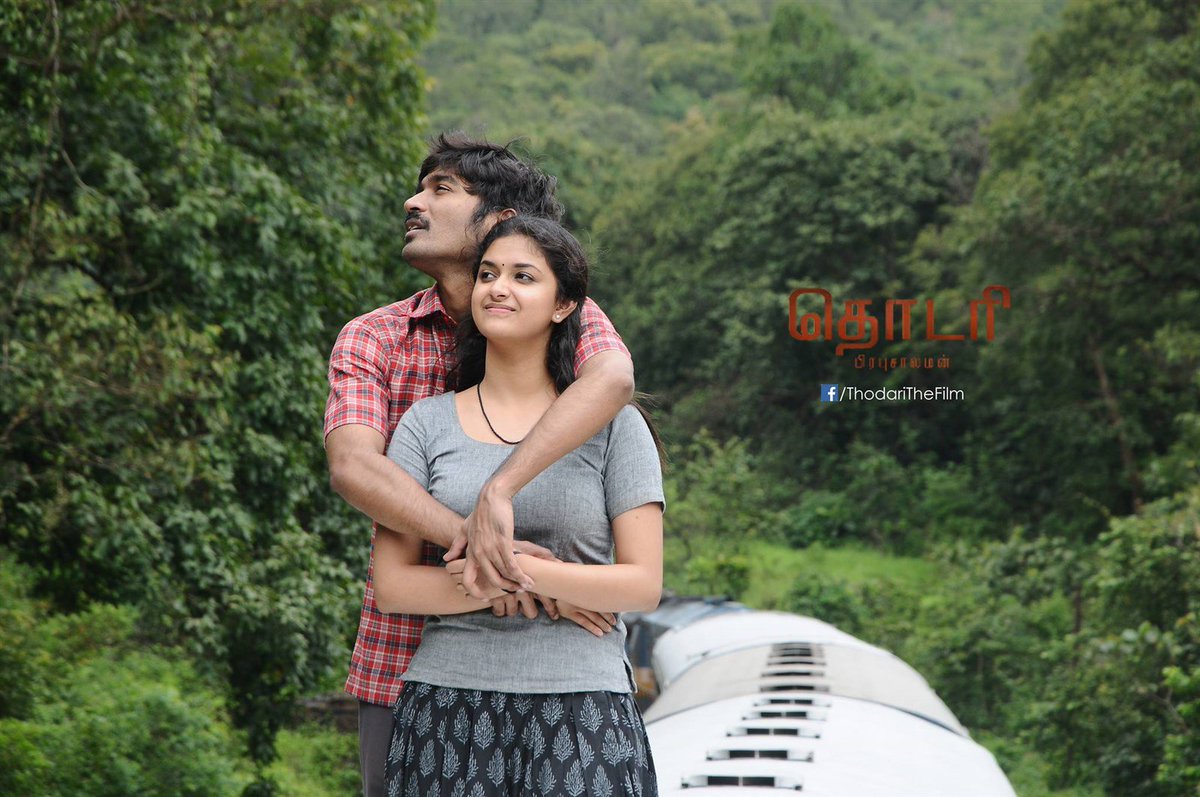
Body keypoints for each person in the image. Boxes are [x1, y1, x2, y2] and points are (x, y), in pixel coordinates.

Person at [324, 134, 637, 797]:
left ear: (500, 220)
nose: (413, 202)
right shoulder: (376, 336)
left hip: (559, 670)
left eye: (441, 189)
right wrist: (493, 550)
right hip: (403, 657)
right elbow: (354, 466)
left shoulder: (568, 316)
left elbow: (613, 380)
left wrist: (501, 489)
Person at [374, 215, 663, 796]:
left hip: (584, 705)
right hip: (446, 706)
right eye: (487, 274)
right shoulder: (424, 425)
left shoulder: (616, 427)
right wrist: (539, 585)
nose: (498, 288)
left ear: (565, 305)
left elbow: (642, 585)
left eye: (523, 276)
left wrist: (510, 567)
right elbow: (394, 586)